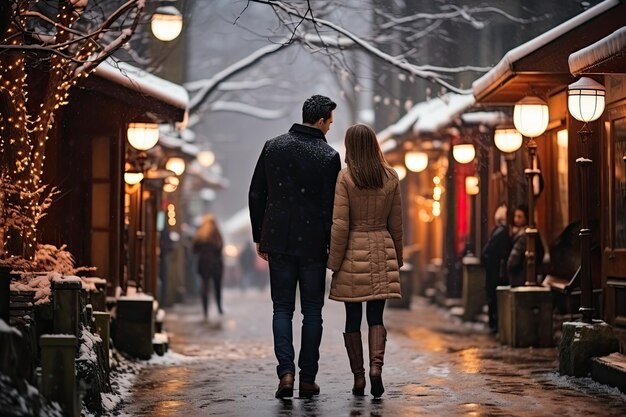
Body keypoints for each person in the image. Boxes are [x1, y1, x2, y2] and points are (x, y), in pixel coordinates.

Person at [248, 95, 341, 399]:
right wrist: (329, 242)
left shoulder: (273, 147)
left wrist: (260, 235)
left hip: (279, 239)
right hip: (314, 243)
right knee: (312, 311)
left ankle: (285, 373)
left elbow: (256, 193)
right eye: (329, 121)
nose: (330, 127)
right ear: (321, 120)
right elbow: (332, 206)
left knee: (282, 308)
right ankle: (307, 377)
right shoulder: (328, 157)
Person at [327, 124, 403, 399]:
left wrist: (334, 262)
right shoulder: (391, 177)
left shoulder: (345, 179)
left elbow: (340, 225)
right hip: (382, 249)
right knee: (376, 316)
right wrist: (398, 256)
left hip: (351, 253)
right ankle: (376, 368)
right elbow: (396, 224)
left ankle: (358, 377)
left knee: (352, 318)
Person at [480, 205, 511, 333]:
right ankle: (495, 324)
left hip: (494, 270)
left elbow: (487, 252)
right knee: (493, 297)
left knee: (492, 297)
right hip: (496, 270)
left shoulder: (497, 231)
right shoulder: (501, 232)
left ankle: (494, 323)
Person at [193, 214, 224, 320]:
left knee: (205, 285)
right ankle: (219, 307)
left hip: (204, 262)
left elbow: (194, 249)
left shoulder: (200, 233)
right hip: (215, 262)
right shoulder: (216, 233)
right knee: (217, 286)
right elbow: (220, 246)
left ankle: (205, 310)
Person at [507, 204, 544, 287]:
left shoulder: (525, 235)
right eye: (515, 216)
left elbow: (513, 261)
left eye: (520, 217)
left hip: (521, 277)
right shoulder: (521, 233)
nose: (516, 219)